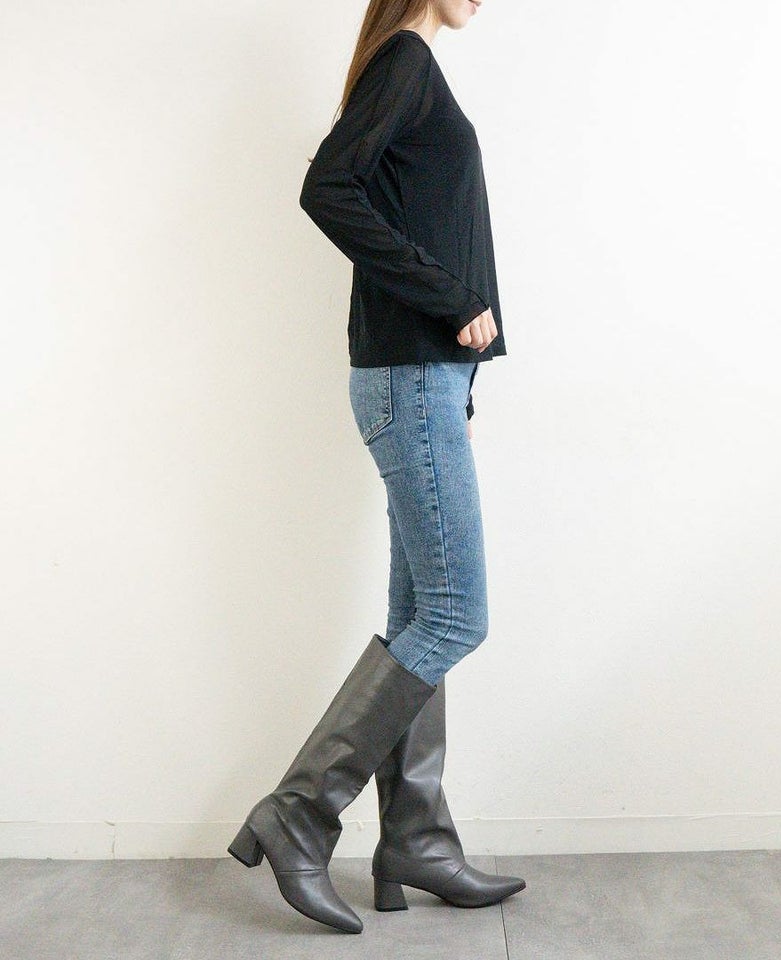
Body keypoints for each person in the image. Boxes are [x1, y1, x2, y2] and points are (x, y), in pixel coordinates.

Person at [228, 0, 525, 934]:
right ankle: (299, 811)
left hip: (426, 382)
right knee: (456, 615)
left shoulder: (408, 67)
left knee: (418, 619)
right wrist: (451, 301)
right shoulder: (404, 60)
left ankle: (417, 841)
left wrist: (459, 373)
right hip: (411, 377)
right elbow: (328, 187)